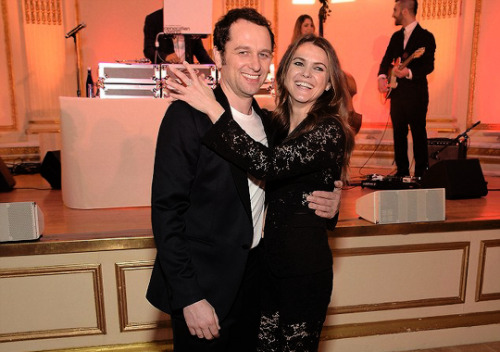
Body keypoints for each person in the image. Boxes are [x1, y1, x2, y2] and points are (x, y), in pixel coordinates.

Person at [146, 8, 342, 352]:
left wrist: (332, 199)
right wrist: (189, 296)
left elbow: (287, 174)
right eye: (243, 52)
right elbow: (167, 212)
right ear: (218, 55)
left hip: (256, 283)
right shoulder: (187, 116)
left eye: (264, 53)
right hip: (203, 291)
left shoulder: (270, 125)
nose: (255, 63)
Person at [377, 0, 436, 178]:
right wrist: (381, 77)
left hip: (416, 94)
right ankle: (402, 171)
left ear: (404, 11)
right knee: (399, 133)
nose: (393, 14)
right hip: (397, 94)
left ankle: (421, 172)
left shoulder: (426, 37)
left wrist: (409, 72)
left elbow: (428, 66)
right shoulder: (396, 37)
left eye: (395, 10)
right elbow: (386, 59)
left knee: (418, 132)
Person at [143, 8, 214, 64]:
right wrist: (166, 57)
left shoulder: (190, 19)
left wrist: (216, 69)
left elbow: (199, 50)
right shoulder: (154, 19)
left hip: (187, 72)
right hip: (165, 72)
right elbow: (148, 50)